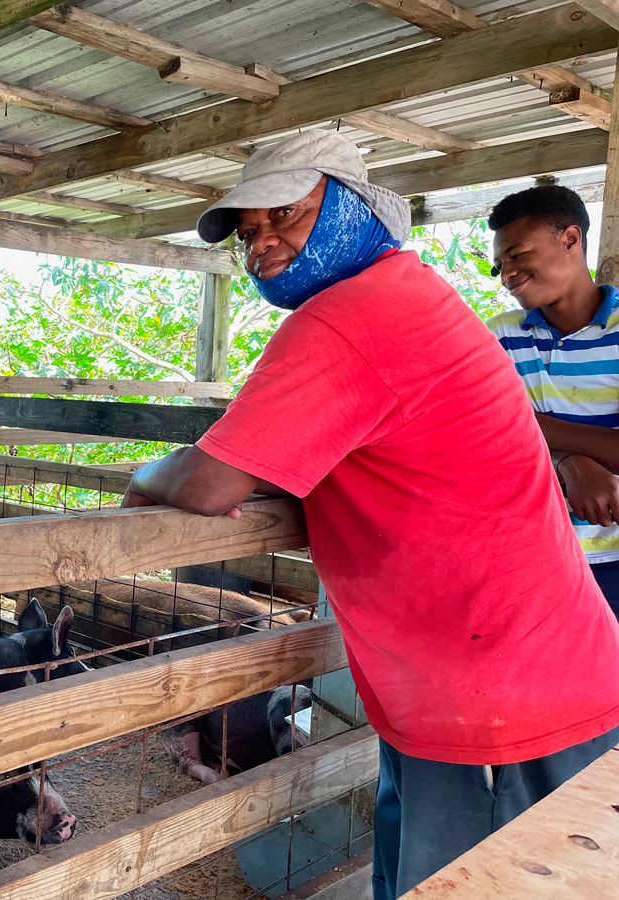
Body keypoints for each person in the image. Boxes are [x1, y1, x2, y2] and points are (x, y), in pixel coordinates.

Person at [122, 130, 619, 900]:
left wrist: (148, 472)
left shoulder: (352, 317)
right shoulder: (410, 298)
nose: (265, 243)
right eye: (251, 233)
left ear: (356, 207)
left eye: (286, 212)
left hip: (496, 699)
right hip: (487, 679)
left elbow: (213, 483)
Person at [486, 185, 619, 620]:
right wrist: (568, 462)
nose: (506, 274)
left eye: (518, 254)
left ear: (570, 239)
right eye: (499, 265)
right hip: (531, 559)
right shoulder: (497, 338)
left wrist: (538, 428)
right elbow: (485, 446)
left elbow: (512, 432)